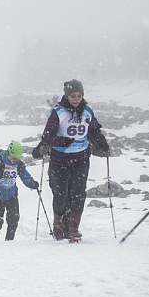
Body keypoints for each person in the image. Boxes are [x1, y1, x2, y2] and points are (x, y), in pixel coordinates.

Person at [38, 79, 110, 242]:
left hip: (81, 158)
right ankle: (58, 226)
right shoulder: (58, 112)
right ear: (66, 96)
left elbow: (93, 130)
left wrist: (102, 143)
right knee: (60, 195)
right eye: (73, 96)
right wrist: (60, 141)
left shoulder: (87, 111)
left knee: (79, 194)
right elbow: (47, 136)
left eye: (79, 95)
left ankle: (74, 228)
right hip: (59, 160)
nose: (76, 99)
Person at [0, 141, 39, 241]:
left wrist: (31, 183)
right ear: (9, 153)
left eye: (17, 158)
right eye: (13, 158)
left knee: (13, 220)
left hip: (11, 195)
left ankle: (9, 242)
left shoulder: (19, 164)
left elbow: (25, 175)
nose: (15, 160)